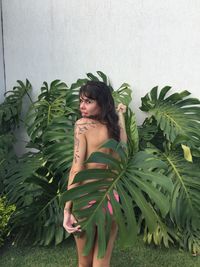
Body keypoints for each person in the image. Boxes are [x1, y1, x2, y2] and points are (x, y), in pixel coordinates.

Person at [63, 81, 127, 267]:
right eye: (81, 101)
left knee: (84, 263)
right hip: (110, 199)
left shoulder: (82, 126)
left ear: (102, 103)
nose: (82, 106)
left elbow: (77, 168)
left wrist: (67, 209)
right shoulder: (114, 128)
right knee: (102, 262)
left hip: (85, 200)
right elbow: (123, 150)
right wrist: (120, 115)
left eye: (88, 101)